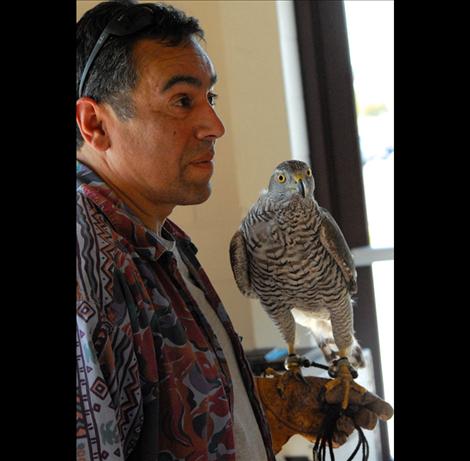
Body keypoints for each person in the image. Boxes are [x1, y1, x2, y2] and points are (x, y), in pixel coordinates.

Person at [76, 2, 392, 461]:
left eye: (211, 99)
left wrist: (259, 414)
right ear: (94, 123)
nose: (215, 126)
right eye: (183, 101)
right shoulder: (90, 263)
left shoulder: (158, 241)